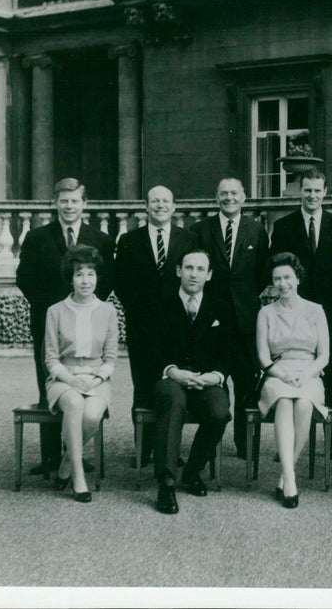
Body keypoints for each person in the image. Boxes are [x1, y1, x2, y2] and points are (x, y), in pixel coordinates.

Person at [16, 178, 115, 476]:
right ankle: (50, 457)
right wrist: (54, 309)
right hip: (49, 322)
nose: (69, 206)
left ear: (84, 204)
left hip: (87, 321)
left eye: (74, 201)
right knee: (52, 385)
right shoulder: (36, 237)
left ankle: (74, 454)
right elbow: (25, 278)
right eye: (64, 201)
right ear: (55, 203)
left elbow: (107, 279)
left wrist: (85, 305)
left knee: (84, 389)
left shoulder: (100, 239)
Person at [270, 169, 332, 462]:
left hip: (328, 309)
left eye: (317, 190)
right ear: (299, 192)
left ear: (325, 192)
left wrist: (324, 302)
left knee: (328, 373)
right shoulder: (283, 226)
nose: (312, 196)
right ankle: (289, 442)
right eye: (307, 190)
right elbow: (278, 269)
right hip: (294, 310)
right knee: (292, 369)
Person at [115, 185, 197, 466]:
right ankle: (143, 451)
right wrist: (137, 312)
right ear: (146, 206)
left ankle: (171, 449)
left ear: (174, 206)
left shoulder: (189, 238)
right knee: (144, 385)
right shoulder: (129, 240)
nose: (160, 205)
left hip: (178, 325)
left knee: (174, 386)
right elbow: (121, 282)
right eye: (154, 201)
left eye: (165, 201)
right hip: (142, 326)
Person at [193, 178, 270, 459]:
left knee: (247, 386)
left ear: (244, 197)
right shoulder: (201, 229)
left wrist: (245, 302)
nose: (229, 198)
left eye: (234, 193)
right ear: (216, 197)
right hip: (211, 321)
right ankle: (208, 444)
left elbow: (263, 273)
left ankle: (246, 444)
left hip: (246, 322)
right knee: (213, 382)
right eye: (223, 193)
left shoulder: (257, 230)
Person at [150, 249, 232, 514]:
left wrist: (216, 376)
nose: (193, 274)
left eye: (200, 269)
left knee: (219, 412)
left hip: (206, 378)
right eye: (188, 268)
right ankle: (166, 484)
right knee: (174, 402)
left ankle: (192, 471)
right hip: (170, 378)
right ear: (178, 271)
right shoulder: (159, 303)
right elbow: (148, 350)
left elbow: (232, 352)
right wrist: (172, 371)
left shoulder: (220, 304)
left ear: (208, 275)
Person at [44, 245, 118, 503]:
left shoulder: (109, 312)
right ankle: (78, 478)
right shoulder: (55, 311)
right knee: (75, 403)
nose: (85, 280)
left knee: (92, 414)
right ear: (71, 277)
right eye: (79, 274)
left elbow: (110, 358)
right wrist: (71, 379)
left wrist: (97, 378)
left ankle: (65, 463)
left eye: (90, 274)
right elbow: (51, 359)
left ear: (97, 277)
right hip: (63, 378)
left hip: (97, 378)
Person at [256, 253, 331, 508]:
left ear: (298, 278)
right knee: (285, 401)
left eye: (287, 277)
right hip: (277, 373)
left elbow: (325, 356)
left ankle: (285, 474)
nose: (282, 283)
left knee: (304, 404)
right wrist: (284, 374)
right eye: (277, 278)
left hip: (309, 372)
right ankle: (290, 480)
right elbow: (263, 358)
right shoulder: (265, 313)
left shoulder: (315, 310)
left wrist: (305, 374)